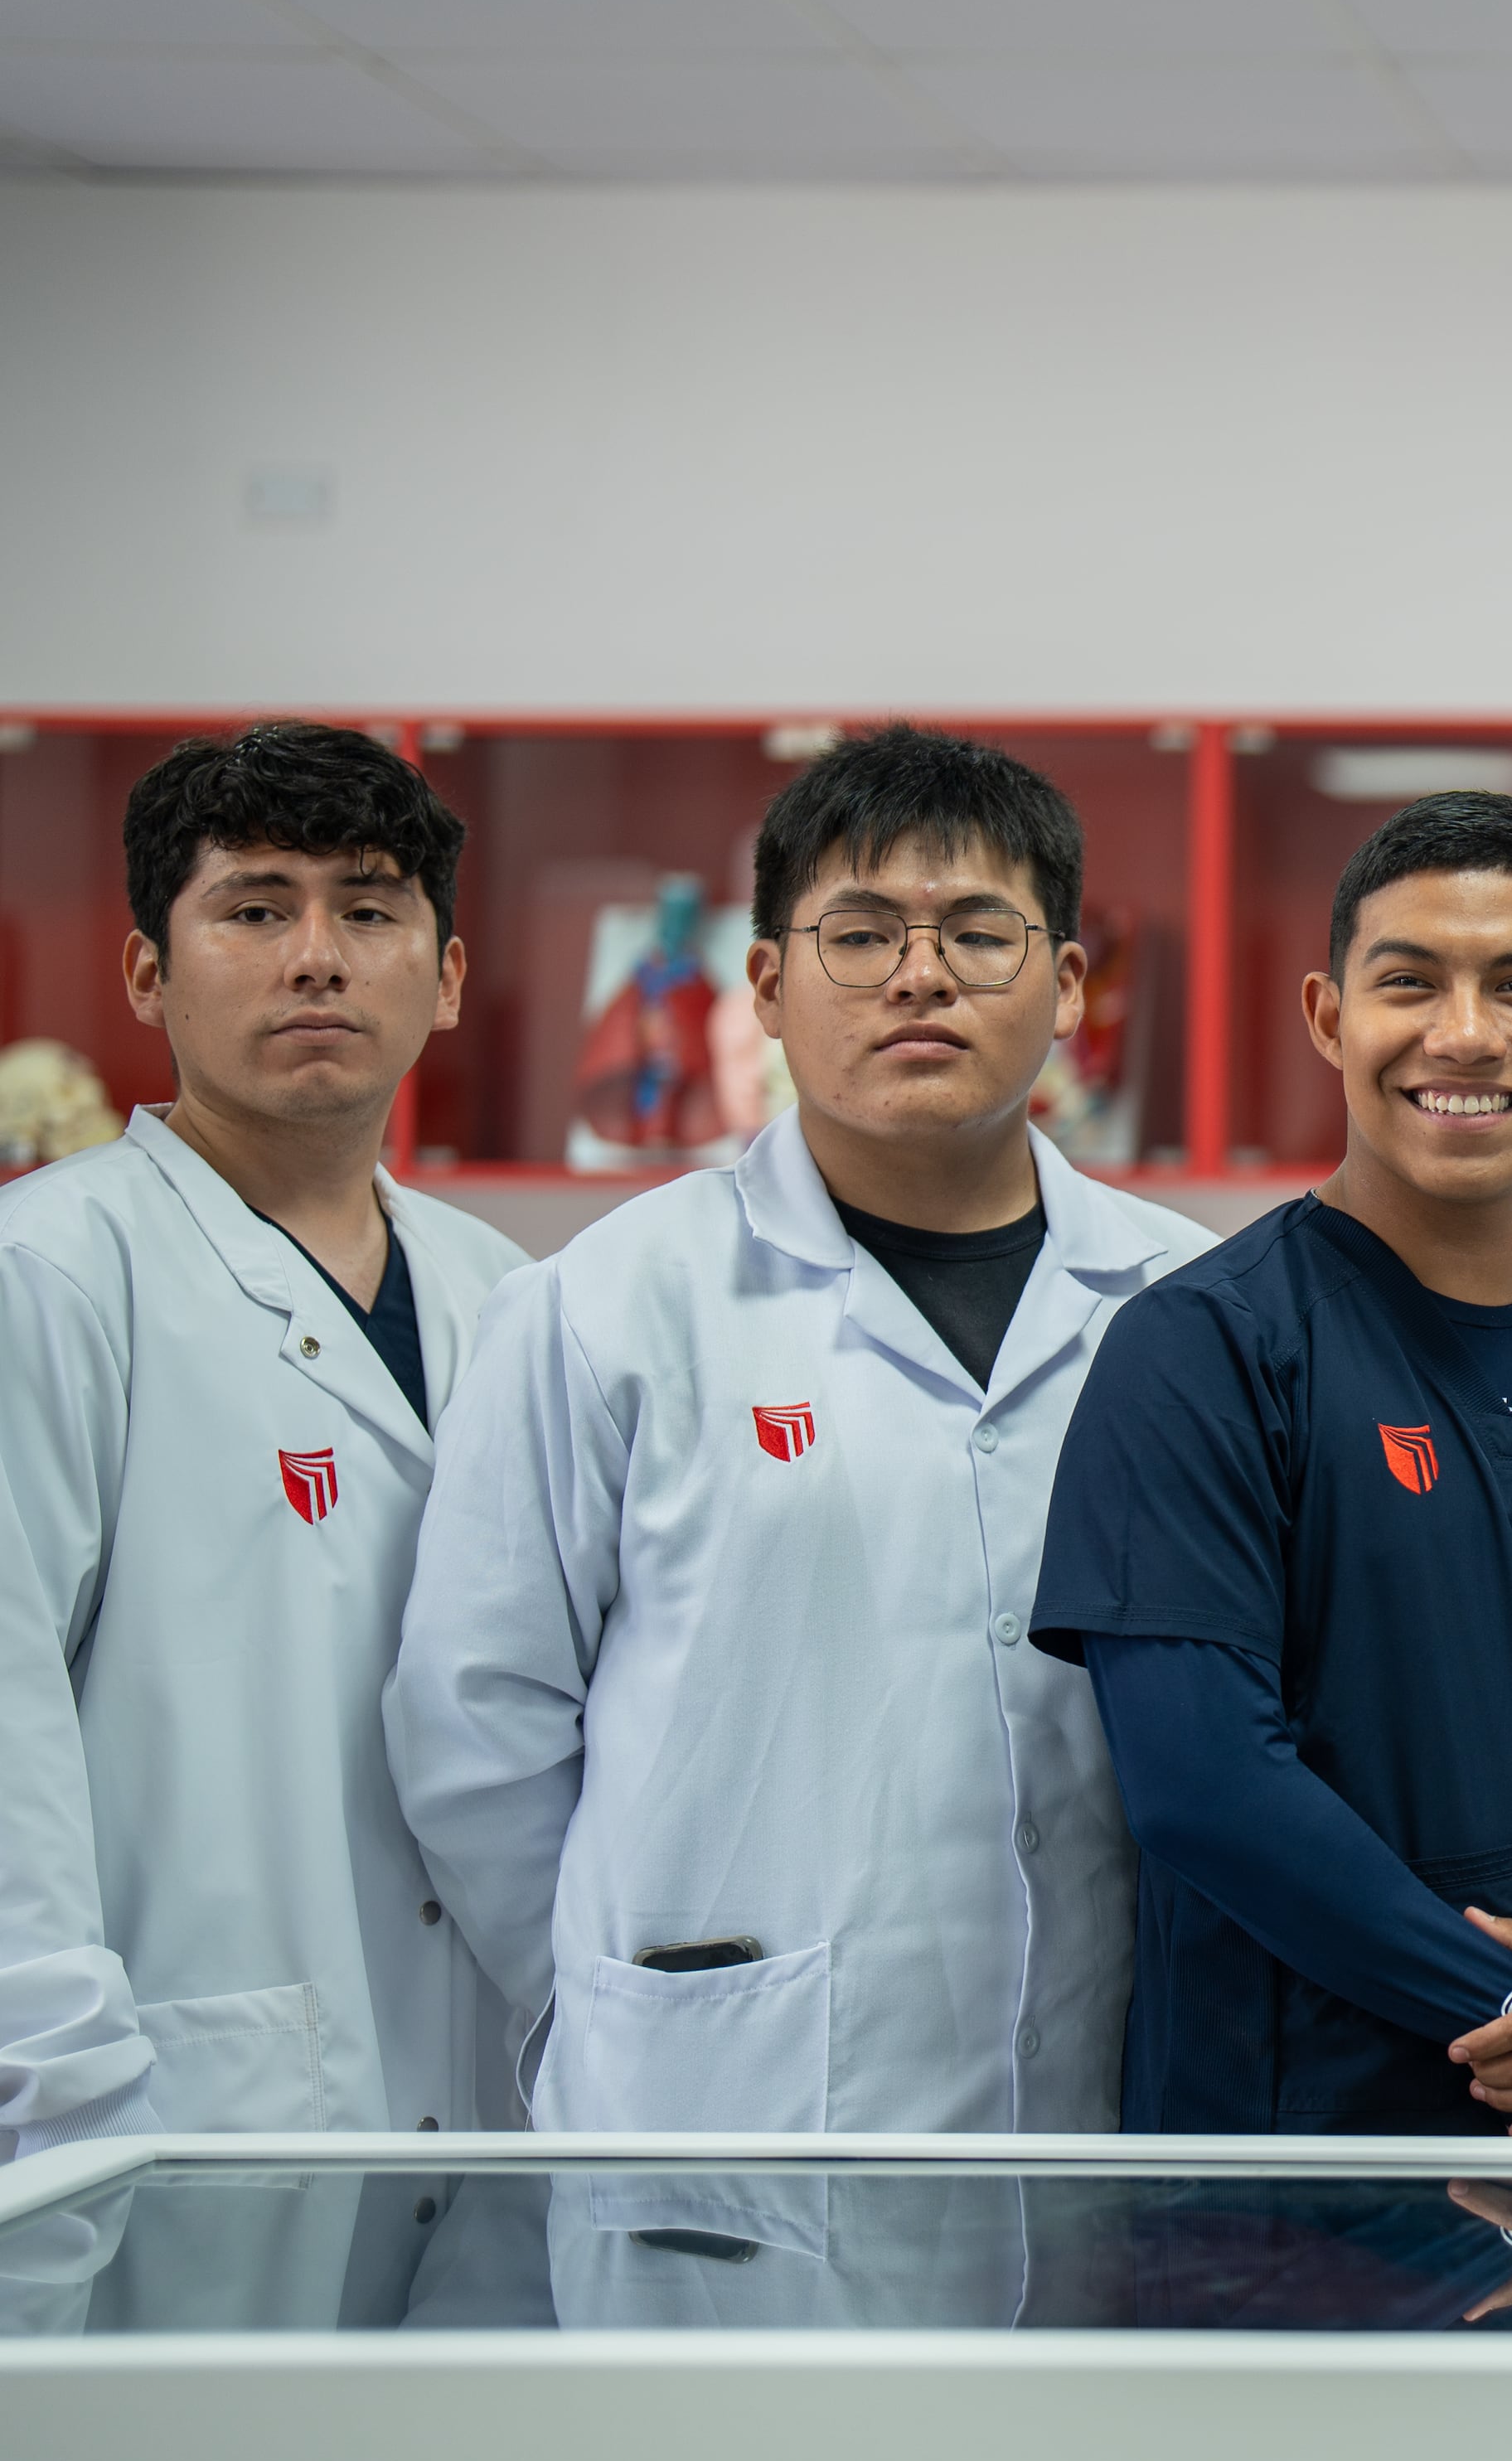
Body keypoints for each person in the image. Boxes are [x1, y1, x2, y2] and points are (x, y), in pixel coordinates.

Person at [387, 728, 1214, 2134]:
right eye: (861, 933)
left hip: (1101, 2110)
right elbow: (477, 1727)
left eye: (979, 933)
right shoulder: (608, 1302)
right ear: (766, 984)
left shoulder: (1188, 1305)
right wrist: (640, 2005)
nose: (920, 974)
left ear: (1071, 984)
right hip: (721, 2110)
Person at [1032, 793, 1512, 2145]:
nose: (1463, 1034)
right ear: (1328, 1016)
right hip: (1288, 2163)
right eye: (1409, 981)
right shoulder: (1204, 1346)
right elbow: (1202, 1783)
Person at [0, 723, 526, 2159]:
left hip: (483, 2104)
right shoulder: (49, 1274)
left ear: (448, 976)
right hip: (163, 2109)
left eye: (368, 909)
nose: (316, 958)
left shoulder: (509, 1295)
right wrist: (55, 2104)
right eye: (253, 908)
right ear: (146, 973)